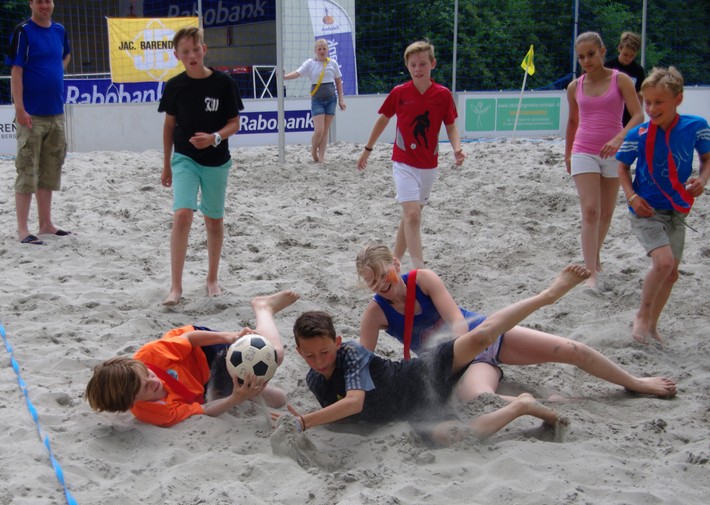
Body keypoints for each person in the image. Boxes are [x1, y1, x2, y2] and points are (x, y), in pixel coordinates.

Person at [274, 266, 594, 448]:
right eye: (310, 356)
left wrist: (304, 421)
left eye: (324, 352)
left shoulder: (352, 354)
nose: (319, 361)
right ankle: (523, 406)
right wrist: (301, 417)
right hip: (416, 411)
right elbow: (345, 416)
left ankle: (547, 296)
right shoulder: (315, 381)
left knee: (480, 336)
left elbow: (354, 403)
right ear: (299, 352)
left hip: (421, 374)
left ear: (337, 342)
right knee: (462, 438)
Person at [354, 244, 676, 401]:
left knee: (570, 349)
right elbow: (363, 362)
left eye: (384, 276)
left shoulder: (423, 279)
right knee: (482, 400)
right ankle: (548, 403)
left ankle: (634, 382)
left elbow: (458, 323)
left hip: (484, 335)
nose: (381, 285)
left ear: (396, 263)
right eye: (373, 283)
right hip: (454, 365)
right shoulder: (376, 313)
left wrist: (466, 347)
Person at [85, 291, 298, 427]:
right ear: (132, 401)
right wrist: (236, 398)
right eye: (146, 387)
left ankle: (263, 308)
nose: (153, 381)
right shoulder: (154, 413)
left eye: (148, 374)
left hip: (202, 351)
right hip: (199, 384)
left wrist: (230, 337)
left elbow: (189, 338)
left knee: (275, 355)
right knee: (278, 399)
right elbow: (204, 409)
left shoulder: (151, 355)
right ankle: (243, 385)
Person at [617, 66, 710, 344]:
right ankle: (641, 316)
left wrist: (702, 179)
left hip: (677, 211)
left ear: (678, 99)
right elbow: (622, 168)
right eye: (647, 102)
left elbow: (707, 160)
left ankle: (652, 325)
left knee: (671, 274)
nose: (651, 108)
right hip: (646, 210)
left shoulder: (697, 126)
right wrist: (632, 197)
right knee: (664, 263)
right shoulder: (638, 134)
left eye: (659, 102)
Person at [356, 40, 465, 270]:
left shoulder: (443, 95)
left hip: (429, 165)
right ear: (407, 66)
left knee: (410, 217)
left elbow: (451, 126)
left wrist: (457, 148)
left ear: (433, 64)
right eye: (413, 65)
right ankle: (419, 270)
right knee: (413, 215)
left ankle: (393, 263)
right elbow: (383, 119)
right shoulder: (400, 92)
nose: (418, 69)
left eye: (422, 64)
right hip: (403, 162)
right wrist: (367, 149)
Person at [158, 26, 244, 306]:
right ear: (177, 56)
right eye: (185, 52)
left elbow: (235, 123)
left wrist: (214, 137)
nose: (192, 55)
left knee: (214, 220)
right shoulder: (175, 86)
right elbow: (168, 126)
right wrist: (166, 165)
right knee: (182, 214)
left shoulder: (223, 83)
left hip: (217, 160)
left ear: (204, 50)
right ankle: (176, 287)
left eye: (196, 49)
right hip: (184, 157)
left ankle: (212, 279)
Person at [566, 32, 643, 288]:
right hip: (583, 150)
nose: (586, 60)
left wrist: (619, 138)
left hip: (613, 152)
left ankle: (594, 256)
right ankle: (590, 272)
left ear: (603, 51)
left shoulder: (621, 79)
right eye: (581, 57)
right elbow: (573, 121)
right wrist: (568, 153)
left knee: (607, 212)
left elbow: (638, 115)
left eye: (591, 54)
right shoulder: (574, 86)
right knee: (591, 210)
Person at [6, 0, 71, 245]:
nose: (45, 5)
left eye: (48, 1)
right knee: (27, 171)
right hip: (31, 114)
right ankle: (23, 230)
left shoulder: (60, 30)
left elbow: (65, 56)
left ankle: (46, 224)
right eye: (40, 1)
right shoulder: (23, 31)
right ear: (31, 3)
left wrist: (54, 72)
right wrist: (20, 108)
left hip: (56, 112)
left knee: (50, 170)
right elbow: (16, 71)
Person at [283, 38, 346, 163]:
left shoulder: (333, 63)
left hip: (331, 100)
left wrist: (341, 100)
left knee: (325, 130)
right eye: (319, 49)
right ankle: (313, 150)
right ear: (315, 51)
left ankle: (321, 157)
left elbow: (338, 82)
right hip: (317, 100)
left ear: (327, 50)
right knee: (319, 131)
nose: (322, 51)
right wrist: (284, 77)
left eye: (324, 48)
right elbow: (298, 73)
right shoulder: (310, 63)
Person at [604, 32, 646, 127]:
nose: (628, 58)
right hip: (609, 116)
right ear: (619, 48)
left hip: (628, 119)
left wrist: (638, 119)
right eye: (625, 54)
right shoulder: (608, 66)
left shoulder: (639, 71)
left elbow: (639, 96)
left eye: (632, 56)